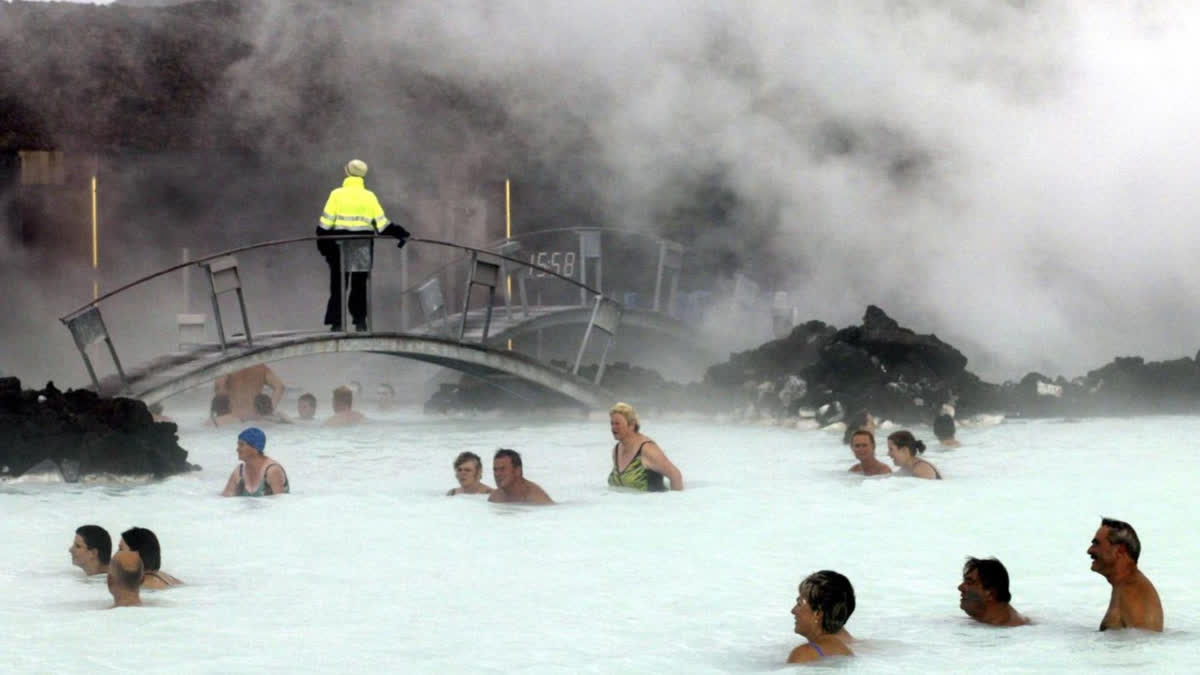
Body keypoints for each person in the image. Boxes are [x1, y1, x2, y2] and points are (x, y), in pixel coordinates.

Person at [317, 158, 409, 331]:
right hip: (362, 246)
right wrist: (401, 233)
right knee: (359, 286)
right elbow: (382, 226)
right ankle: (360, 322)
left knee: (338, 286)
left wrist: (323, 247)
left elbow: (324, 225)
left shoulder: (336, 194)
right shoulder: (369, 196)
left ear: (347, 173)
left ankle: (336, 324)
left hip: (338, 247)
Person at [1089, 517, 1163, 632]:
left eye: (1096, 544)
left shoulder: (1132, 592)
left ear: (1120, 550)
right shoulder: (1123, 585)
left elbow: (1144, 643)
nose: (1089, 550)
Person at [607, 402, 683, 491]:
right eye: (612, 423)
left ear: (631, 425)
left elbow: (676, 476)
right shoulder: (616, 450)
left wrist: (675, 502)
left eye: (617, 424)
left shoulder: (647, 449)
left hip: (652, 503)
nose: (613, 427)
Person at [787, 570, 855, 663]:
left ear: (818, 613)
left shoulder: (803, 654)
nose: (793, 611)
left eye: (799, 604)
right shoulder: (845, 651)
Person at [958, 557, 1029, 626]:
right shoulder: (985, 622)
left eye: (969, 583)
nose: (960, 587)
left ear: (990, 594)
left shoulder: (1007, 630)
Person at [221, 427, 290, 497]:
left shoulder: (272, 471)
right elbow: (225, 498)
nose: (237, 449)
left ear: (255, 448)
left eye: (241, 445)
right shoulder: (239, 471)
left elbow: (281, 503)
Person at [213, 364, 285, 420]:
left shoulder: (228, 367)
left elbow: (219, 387)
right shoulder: (261, 367)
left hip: (235, 416)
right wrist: (268, 411)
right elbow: (280, 387)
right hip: (256, 417)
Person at [488, 449, 553, 504]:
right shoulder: (495, 497)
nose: (497, 474)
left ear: (517, 471)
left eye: (502, 469)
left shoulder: (537, 499)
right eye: (495, 470)